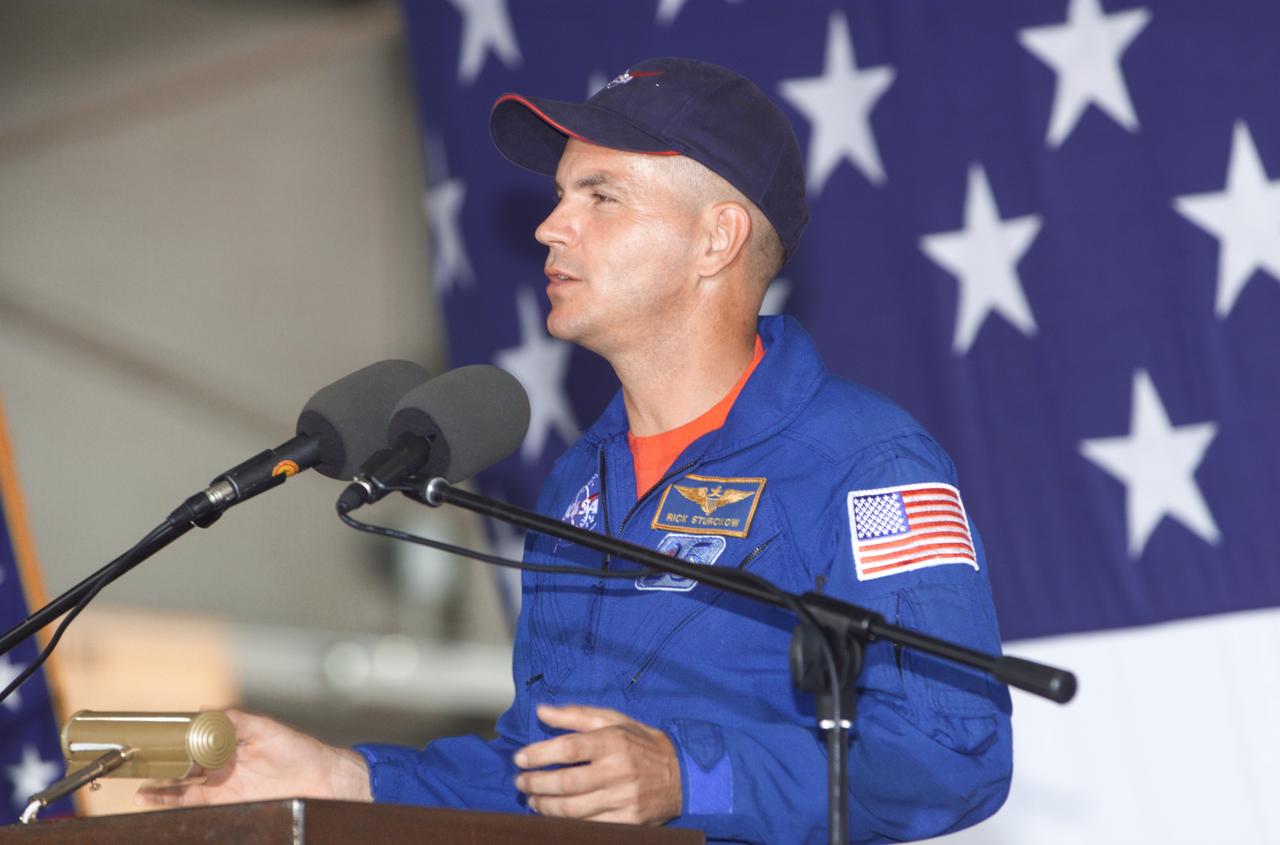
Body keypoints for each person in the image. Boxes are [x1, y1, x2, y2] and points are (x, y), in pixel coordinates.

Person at [139, 57, 1012, 843]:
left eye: (599, 196)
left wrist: (689, 775)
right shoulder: (577, 480)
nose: (551, 228)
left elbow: (954, 752)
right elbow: (546, 774)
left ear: (717, 238)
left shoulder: (864, 458)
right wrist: (345, 778)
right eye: (561, 196)